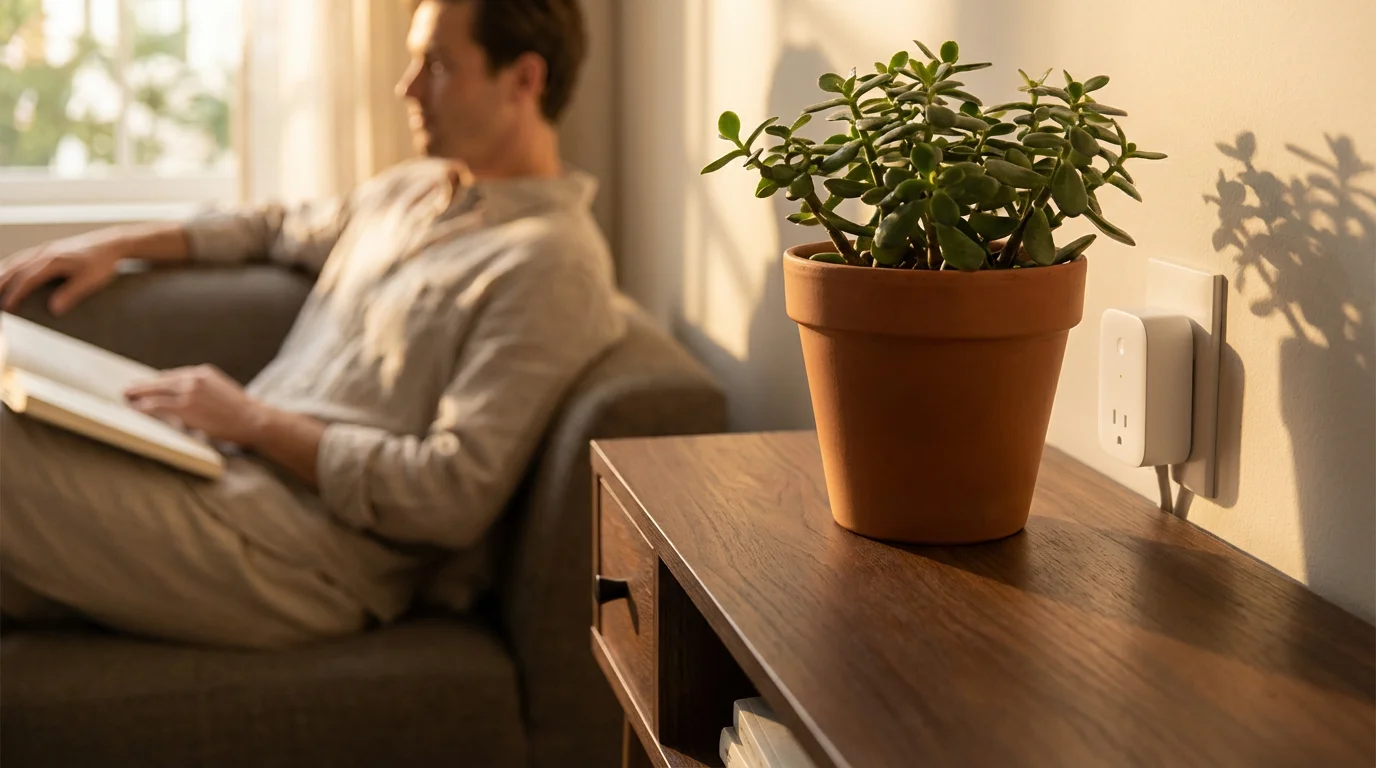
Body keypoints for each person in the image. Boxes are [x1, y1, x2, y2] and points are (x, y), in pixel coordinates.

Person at [0, 0, 623, 649]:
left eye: (435, 65)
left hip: (302, 556)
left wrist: (254, 422)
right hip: (219, 472)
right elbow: (271, 226)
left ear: (524, 79)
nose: (406, 87)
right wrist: (116, 245)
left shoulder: (550, 263)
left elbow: (450, 491)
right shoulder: (409, 191)